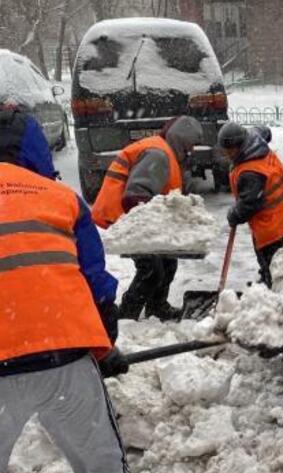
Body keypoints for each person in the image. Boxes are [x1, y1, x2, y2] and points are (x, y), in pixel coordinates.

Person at [0, 118, 129, 472]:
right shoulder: (60, 198)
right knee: (102, 463)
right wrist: (105, 349)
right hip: (64, 357)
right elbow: (96, 283)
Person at [92, 115, 204, 320]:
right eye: (191, 144)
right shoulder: (159, 155)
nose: (192, 150)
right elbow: (135, 196)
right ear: (181, 140)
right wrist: (149, 231)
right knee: (151, 269)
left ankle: (157, 306)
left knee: (168, 261)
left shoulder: (166, 152)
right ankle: (127, 315)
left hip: (135, 214)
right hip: (126, 216)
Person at [217, 123, 283, 288]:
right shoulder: (253, 141)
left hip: (269, 220)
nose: (227, 155)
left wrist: (234, 215)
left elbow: (249, 204)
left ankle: (271, 283)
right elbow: (263, 130)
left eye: (229, 151)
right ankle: (267, 276)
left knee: (267, 255)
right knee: (273, 254)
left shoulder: (251, 173)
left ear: (239, 146)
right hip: (278, 211)